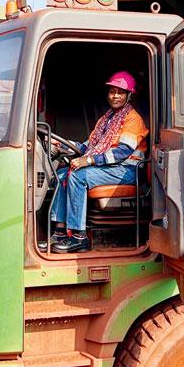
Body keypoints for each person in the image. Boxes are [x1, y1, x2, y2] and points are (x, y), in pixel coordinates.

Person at [49, 71, 148, 254]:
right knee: (62, 174)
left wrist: (89, 160)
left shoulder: (133, 119)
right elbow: (89, 145)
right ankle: (60, 232)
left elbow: (121, 152)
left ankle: (79, 237)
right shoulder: (107, 119)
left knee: (78, 176)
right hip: (111, 167)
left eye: (120, 92)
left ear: (129, 95)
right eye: (112, 91)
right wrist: (63, 145)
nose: (115, 96)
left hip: (128, 169)